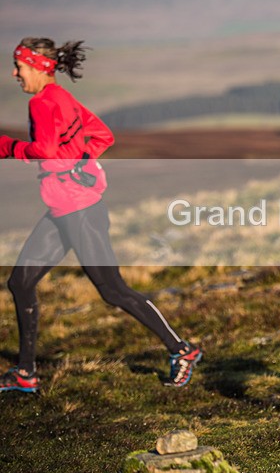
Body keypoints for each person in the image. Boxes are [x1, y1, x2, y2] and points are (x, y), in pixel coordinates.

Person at [0, 38, 202, 393]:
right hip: (63, 210)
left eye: (20, 67)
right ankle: (26, 373)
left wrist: (7, 147)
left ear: (38, 67)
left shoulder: (42, 102)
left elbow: (46, 151)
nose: (15, 74)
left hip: (80, 212)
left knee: (113, 290)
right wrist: (79, 162)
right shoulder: (61, 98)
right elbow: (102, 135)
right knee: (20, 282)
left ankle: (182, 350)